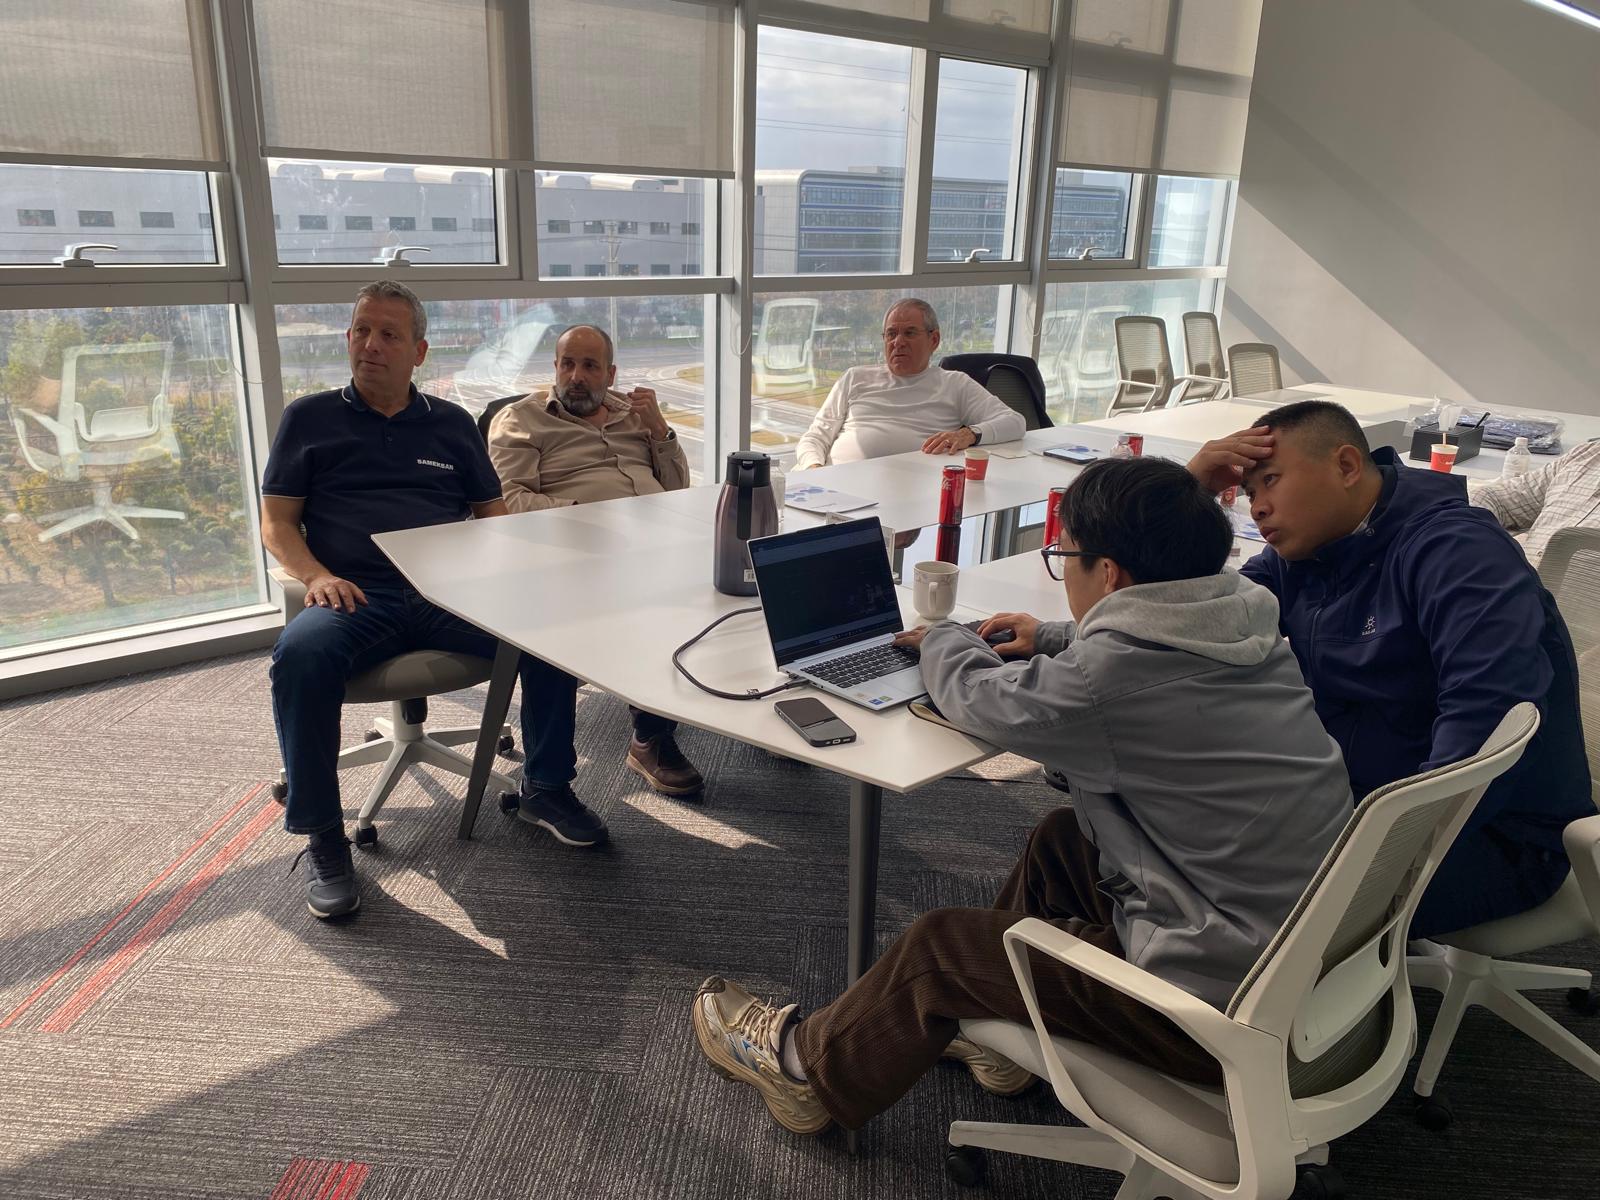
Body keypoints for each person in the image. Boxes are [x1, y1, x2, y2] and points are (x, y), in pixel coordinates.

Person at [689, 457, 1352, 1135]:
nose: (1063, 572)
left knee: (941, 946)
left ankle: (805, 1072)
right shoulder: (1247, 626)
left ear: (1109, 574)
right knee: (1063, 843)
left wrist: (943, 637)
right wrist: (1056, 636)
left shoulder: (1105, 682)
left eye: (1064, 556)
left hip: (1215, 1016)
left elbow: (983, 700)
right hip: (1304, 964)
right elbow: (1146, 649)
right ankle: (992, 1026)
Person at [263, 282, 609, 921]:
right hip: (354, 592)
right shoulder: (308, 419)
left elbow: (492, 515)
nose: (371, 345)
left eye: (389, 334)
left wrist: (514, 576)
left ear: (418, 352)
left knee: (548, 630)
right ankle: (324, 838)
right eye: (361, 330)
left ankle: (546, 787)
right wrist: (314, 576)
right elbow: (277, 524)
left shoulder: (449, 424)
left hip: (448, 592)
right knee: (300, 656)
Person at [1187, 399, 1592, 940]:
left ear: (1346, 466)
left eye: (1272, 482)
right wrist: (1188, 497)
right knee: (1172, 839)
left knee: (1230, 901)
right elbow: (1200, 621)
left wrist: (1369, 858)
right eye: (1249, 493)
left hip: (1491, 836)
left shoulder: (1457, 552)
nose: (1257, 508)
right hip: (1355, 798)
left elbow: (1482, 731)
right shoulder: (1312, 552)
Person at [487, 324, 703, 800]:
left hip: (657, 545)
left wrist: (661, 431)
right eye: (567, 364)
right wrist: (591, 517)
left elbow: (677, 490)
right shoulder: (521, 420)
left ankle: (770, 716)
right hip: (572, 557)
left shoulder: (634, 416)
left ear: (611, 373)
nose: (576, 376)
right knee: (653, 600)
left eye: (589, 366)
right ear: (555, 367)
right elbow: (506, 502)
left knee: (738, 577)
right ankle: (650, 738)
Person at [792, 298, 1026, 469]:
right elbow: (815, 438)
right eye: (891, 334)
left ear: (934, 340)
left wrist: (970, 434)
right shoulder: (855, 378)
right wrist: (814, 470)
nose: (898, 342)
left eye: (910, 333)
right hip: (835, 489)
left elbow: (1015, 422)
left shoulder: (954, 384)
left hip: (912, 496)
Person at [1467, 438, 1600, 568]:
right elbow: (1493, 497)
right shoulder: (1586, 456)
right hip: (1500, 575)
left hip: (1550, 581)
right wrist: (1472, 532)